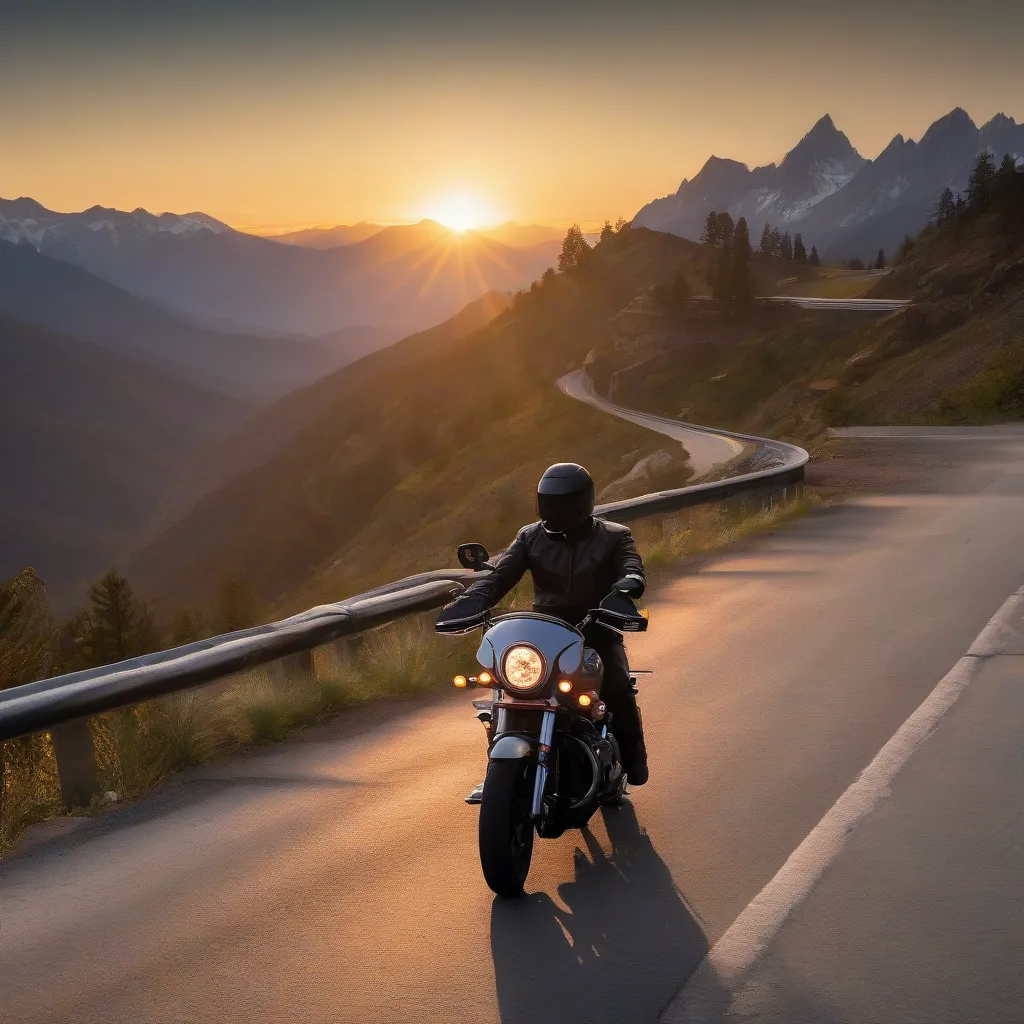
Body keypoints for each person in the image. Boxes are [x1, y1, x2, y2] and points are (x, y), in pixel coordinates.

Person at [438, 462, 649, 803]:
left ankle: (634, 764)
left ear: (583, 502)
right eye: (550, 502)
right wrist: (466, 605)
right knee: (505, 690)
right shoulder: (530, 536)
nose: (556, 510)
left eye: (565, 502)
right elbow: (497, 579)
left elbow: (631, 566)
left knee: (618, 687)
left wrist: (628, 586)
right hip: (544, 635)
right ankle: (497, 775)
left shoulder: (614, 536)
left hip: (595, 628)